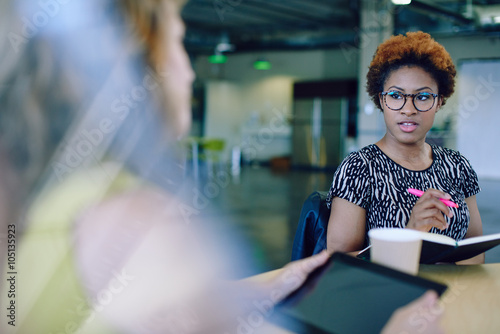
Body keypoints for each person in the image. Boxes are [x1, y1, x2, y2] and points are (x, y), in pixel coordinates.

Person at [0, 2, 443, 333]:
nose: (188, 72)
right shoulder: (136, 220)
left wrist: (265, 288)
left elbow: (163, 310)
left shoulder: (45, 200)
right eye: (176, 42)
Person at [326, 31, 484, 264]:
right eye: (396, 95)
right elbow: (339, 263)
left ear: (439, 102)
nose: (408, 109)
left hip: (451, 295)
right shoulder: (359, 168)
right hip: (388, 295)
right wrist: (410, 234)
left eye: (422, 97)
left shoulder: (457, 166)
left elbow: (474, 249)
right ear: (381, 100)